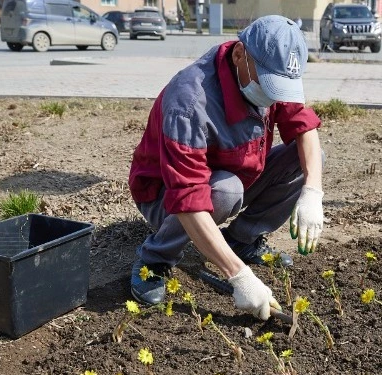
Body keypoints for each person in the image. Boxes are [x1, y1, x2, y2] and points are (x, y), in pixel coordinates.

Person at [128, 15, 324, 321]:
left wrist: (313, 191)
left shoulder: (267, 69)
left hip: (232, 176)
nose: (274, 96)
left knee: (309, 159)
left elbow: (304, 127)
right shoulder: (190, 101)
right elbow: (188, 196)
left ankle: (241, 240)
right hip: (165, 194)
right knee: (225, 190)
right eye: (268, 84)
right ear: (238, 55)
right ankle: (155, 257)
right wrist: (239, 276)